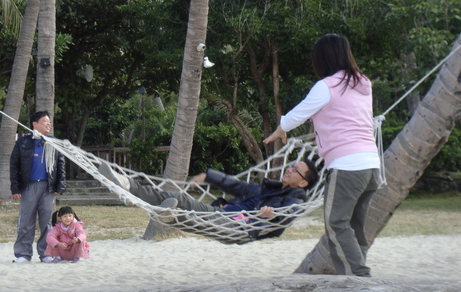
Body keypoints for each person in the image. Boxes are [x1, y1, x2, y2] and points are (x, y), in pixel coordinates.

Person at [263, 33, 381, 277]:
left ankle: (358, 278)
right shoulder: (363, 83)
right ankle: (359, 275)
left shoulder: (327, 86)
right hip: (371, 165)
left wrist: (281, 128)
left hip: (348, 166)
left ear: (323, 59)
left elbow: (300, 112)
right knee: (356, 226)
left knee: (336, 223)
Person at [99, 159, 317, 240]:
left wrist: (275, 214)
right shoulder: (269, 187)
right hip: (224, 214)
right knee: (177, 198)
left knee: (196, 215)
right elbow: (238, 186)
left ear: (303, 182)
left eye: (295, 169)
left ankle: (171, 218)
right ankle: (128, 185)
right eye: (291, 165)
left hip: (241, 227)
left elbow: (292, 210)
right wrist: (209, 176)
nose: (289, 169)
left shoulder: (297, 196)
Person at [10, 111, 66, 263]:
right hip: (28, 186)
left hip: (48, 187)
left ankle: (46, 254)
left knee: (47, 222)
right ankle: (23, 254)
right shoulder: (23, 142)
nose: (49, 124)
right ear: (35, 124)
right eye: (45, 121)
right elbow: (14, 165)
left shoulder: (53, 142)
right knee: (26, 222)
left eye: (49, 122)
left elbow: (61, 164)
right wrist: (15, 188)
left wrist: (60, 185)